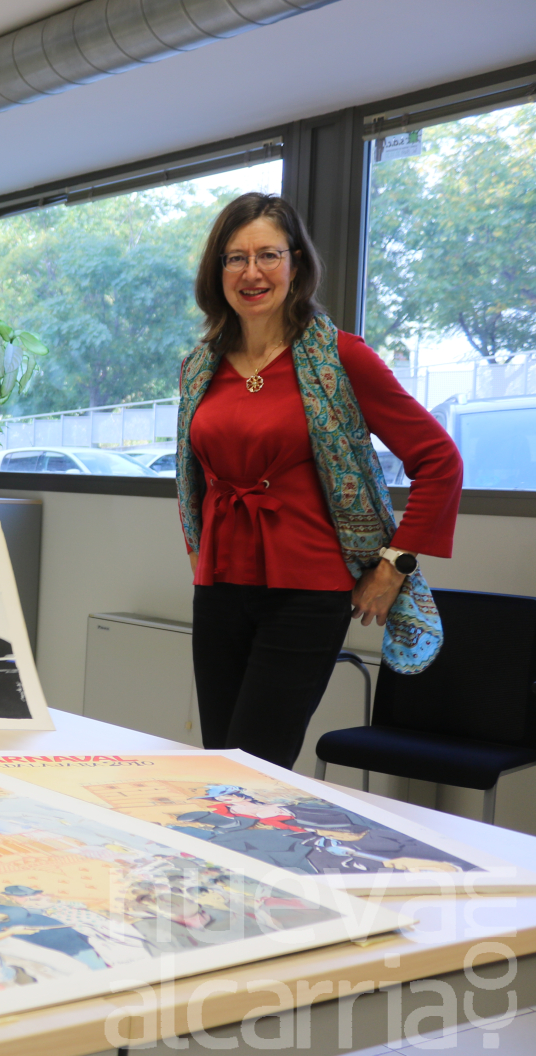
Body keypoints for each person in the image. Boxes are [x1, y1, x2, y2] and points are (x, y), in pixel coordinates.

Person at [175, 192, 462, 768]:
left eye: (268, 255)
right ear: (217, 270)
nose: (252, 273)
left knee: (255, 765)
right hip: (219, 587)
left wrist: (393, 568)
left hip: (306, 593)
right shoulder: (199, 367)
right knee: (218, 763)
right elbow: (193, 479)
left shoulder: (341, 357)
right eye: (236, 258)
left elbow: (439, 460)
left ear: (296, 263)